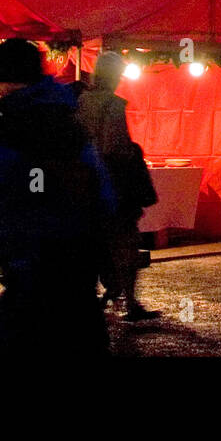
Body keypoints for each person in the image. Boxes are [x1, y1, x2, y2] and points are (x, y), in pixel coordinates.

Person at [0, 38, 117, 356]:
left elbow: (19, 181)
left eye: (0, 83)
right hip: (71, 260)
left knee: (18, 341)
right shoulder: (60, 114)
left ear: (11, 82)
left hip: (40, 262)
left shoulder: (29, 122)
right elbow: (99, 188)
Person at [77, 51, 160, 322]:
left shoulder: (80, 102)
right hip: (112, 185)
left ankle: (99, 297)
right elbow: (115, 147)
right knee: (125, 244)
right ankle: (130, 302)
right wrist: (133, 153)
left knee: (93, 246)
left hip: (85, 187)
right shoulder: (112, 105)